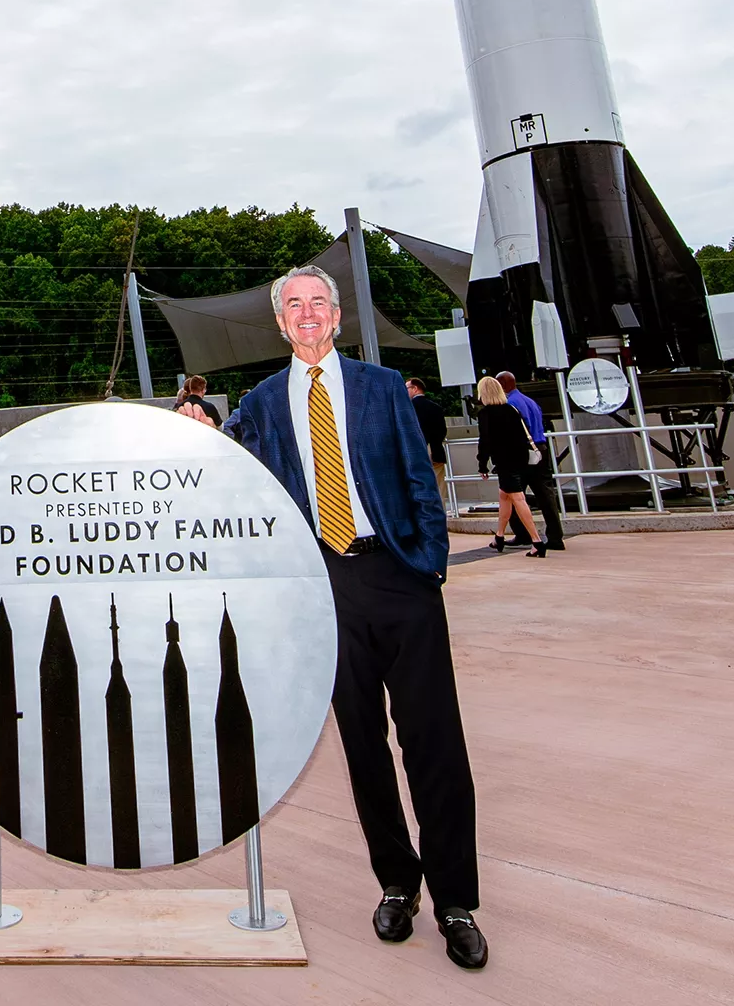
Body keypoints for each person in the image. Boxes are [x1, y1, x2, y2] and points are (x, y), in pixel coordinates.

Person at [221, 265, 488, 970]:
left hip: (398, 575)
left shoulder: (378, 386)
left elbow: (415, 475)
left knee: (434, 740)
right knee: (363, 746)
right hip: (323, 586)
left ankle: (456, 898)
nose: (307, 315)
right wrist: (196, 428)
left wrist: (430, 561)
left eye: (317, 303)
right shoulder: (263, 400)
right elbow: (233, 463)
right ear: (280, 322)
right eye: (294, 306)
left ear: (334, 317)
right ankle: (398, 883)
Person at [493, 371, 567, 550]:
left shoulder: (509, 404)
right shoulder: (530, 401)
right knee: (546, 494)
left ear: (502, 385)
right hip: (540, 448)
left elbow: (512, 432)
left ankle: (522, 533)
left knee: (512, 492)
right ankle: (555, 536)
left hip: (522, 452)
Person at [473, 376, 544, 557]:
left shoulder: (486, 414)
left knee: (518, 499)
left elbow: (485, 441)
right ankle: (500, 536)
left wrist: (482, 464)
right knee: (504, 497)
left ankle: (536, 541)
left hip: (504, 461)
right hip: (519, 458)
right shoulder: (511, 409)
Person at [406, 377, 450, 507]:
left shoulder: (409, 409)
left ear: (415, 388)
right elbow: (442, 430)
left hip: (417, 452)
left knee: (419, 489)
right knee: (439, 488)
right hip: (436, 451)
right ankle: (441, 519)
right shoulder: (436, 407)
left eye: (406, 388)